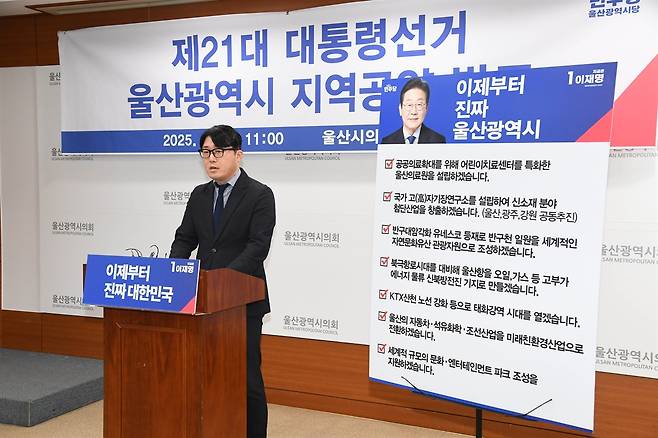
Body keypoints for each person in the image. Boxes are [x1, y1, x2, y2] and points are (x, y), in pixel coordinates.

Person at [169, 124, 275, 438]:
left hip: (242, 302)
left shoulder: (259, 194)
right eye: (205, 152)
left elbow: (257, 248)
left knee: (246, 379)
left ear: (238, 155)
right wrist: (173, 273)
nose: (211, 159)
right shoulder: (199, 195)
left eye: (218, 151)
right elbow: (184, 239)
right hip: (202, 300)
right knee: (207, 374)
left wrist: (221, 281)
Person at [381, 77, 446, 144]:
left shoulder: (438, 140)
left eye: (419, 104)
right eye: (409, 105)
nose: (414, 112)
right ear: (400, 109)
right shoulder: (387, 142)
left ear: (426, 108)